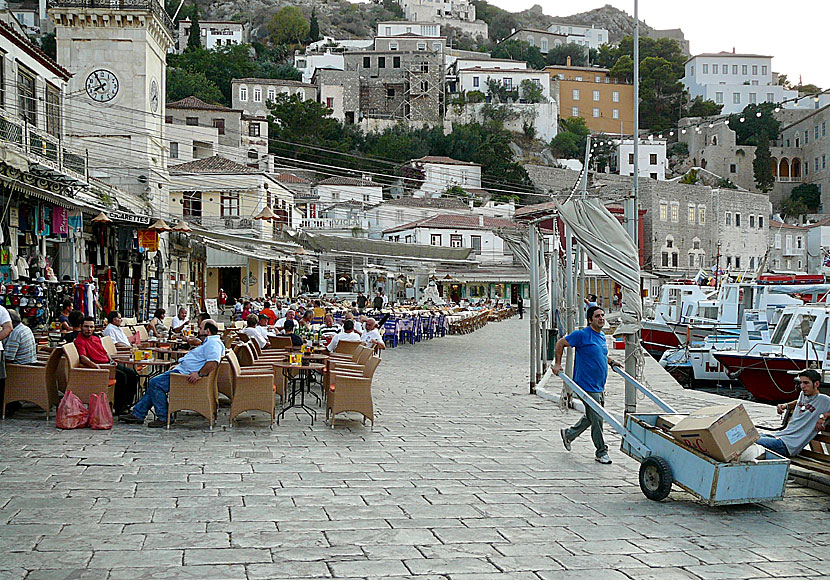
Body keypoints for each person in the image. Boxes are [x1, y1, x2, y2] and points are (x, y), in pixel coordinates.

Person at [120, 321, 223, 427]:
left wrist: (199, 374)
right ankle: (138, 413)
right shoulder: (209, 342)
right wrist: (179, 365)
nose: (198, 330)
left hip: (186, 376)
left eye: (201, 328)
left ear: (208, 331)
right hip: (182, 370)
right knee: (155, 382)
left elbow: (213, 362)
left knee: (155, 383)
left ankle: (163, 417)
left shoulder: (213, 343)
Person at [553, 306, 620, 465]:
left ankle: (569, 434)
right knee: (597, 418)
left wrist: (611, 362)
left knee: (592, 417)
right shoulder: (582, 335)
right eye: (597, 316)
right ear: (590, 320)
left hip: (599, 385)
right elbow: (560, 343)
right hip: (586, 384)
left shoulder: (602, 336)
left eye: (603, 315)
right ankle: (601, 451)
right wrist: (557, 364)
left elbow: (600, 354)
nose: (601, 318)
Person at [74, 316, 139, 416]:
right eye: (86, 327)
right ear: (81, 327)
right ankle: (119, 408)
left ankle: (128, 404)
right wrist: (95, 366)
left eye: (91, 327)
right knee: (122, 377)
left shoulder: (95, 338)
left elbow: (104, 352)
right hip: (99, 368)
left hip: (108, 364)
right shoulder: (79, 341)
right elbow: (83, 357)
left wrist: (111, 360)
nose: (89, 329)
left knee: (132, 374)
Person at [757, 369, 830, 457]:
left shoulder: (824, 400)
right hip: (780, 436)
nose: (802, 386)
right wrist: (785, 405)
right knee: (747, 436)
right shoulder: (803, 395)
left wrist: (823, 416)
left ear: (816, 384)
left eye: (806, 383)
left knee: (750, 441)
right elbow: (797, 402)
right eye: (801, 383)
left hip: (788, 445)